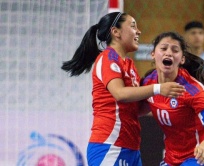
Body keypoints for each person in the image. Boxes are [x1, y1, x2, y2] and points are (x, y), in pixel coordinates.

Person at [61, 12, 185, 166]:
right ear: (116, 32)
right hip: (109, 146)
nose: (138, 31)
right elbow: (119, 94)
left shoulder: (129, 64)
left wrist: (165, 97)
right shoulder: (107, 58)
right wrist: (158, 88)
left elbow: (135, 108)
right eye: (133, 26)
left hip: (131, 147)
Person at [141, 32, 204, 166]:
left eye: (175, 50)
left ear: (182, 59)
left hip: (200, 157)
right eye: (163, 48)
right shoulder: (149, 83)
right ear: (153, 54)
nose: (168, 53)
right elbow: (137, 109)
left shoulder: (192, 89)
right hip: (172, 157)